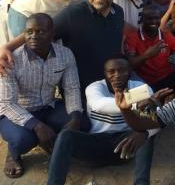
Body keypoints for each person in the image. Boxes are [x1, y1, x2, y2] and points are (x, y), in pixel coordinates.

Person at [0, 0, 124, 102]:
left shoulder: (118, 12)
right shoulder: (74, 14)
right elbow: (40, 31)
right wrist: (6, 47)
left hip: (112, 82)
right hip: (80, 89)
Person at [47, 56, 158, 185]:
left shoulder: (141, 88)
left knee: (144, 135)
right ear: (104, 73)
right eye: (111, 71)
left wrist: (142, 132)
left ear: (130, 71)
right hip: (95, 144)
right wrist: (134, 104)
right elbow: (99, 104)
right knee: (66, 135)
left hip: (125, 145)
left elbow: (155, 120)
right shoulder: (94, 88)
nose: (117, 75)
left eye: (122, 70)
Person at [0, 13, 85, 178]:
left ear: (52, 33)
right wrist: (37, 125)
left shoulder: (65, 54)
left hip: (49, 106)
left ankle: (48, 138)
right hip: (17, 112)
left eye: (40, 31)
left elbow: (71, 88)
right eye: (29, 31)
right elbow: (6, 103)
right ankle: (13, 154)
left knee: (81, 122)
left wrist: (75, 116)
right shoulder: (10, 59)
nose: (33, 36)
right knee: (23, 140)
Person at [125, 4, 175, 93]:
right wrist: (147, 55)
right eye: (149, 18)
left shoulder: (166, 35)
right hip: (144, 82)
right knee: (137, 94)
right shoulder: (133, 37)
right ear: (142, 19)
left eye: (157, 18)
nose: (154, 21)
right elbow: (130, 64)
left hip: (165, 78)